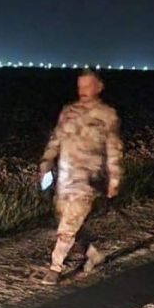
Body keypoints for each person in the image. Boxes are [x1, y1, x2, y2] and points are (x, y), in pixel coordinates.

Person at [39, 69, 123, 285]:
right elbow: (56, 139)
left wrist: (114, 179)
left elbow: (114, 148)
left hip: (88, 180)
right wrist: (46, 162)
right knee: (66, 220)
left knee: (68, 224)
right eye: (80, 86)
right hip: (65, 178)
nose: (83, 90)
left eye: (88, 85)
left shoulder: (107, 115)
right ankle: (93, 253)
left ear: (99, 87)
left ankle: (55, 268)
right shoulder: (69, 111)